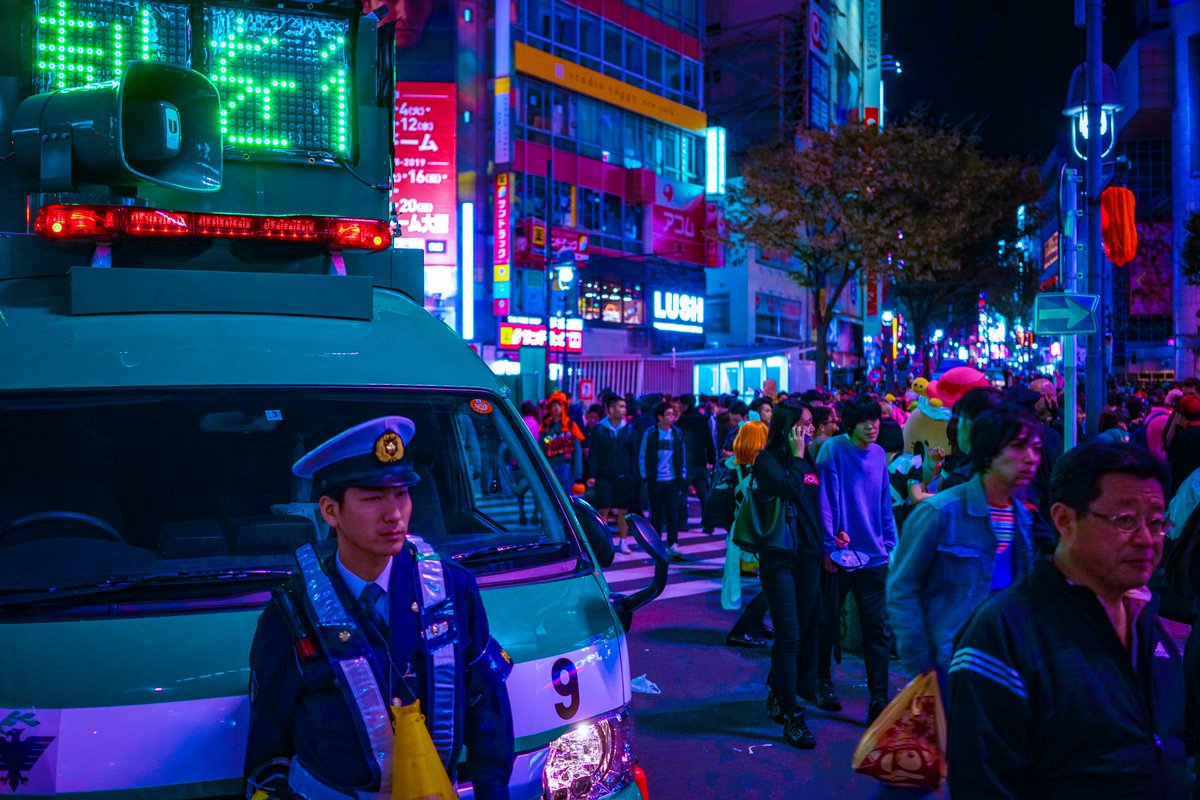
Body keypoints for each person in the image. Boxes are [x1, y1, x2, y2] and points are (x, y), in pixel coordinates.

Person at [245, 416, 515, 800]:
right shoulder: (294, 610)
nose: (394, 514)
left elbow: (486, 708)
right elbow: (269, 736)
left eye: (402, 494)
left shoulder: (452, 588)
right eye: (373, 498)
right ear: (330, 511)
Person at [948, 442, 1187, 799]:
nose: (1147, 540)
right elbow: (983, 784)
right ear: (1064, 519)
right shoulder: (1002, 636)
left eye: (1156, 522)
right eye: (1125, 520)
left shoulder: (1146, 622)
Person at [888, 405, 1040, 682]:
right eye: (1019, 447)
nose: (1031, 459)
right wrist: (923, 665)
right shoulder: (940, 512)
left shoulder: (1022, 517)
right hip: (950, 666)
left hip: (1006, 666)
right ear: (990, 450)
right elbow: (902, 587)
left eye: (1036, 448)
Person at [815, 394, 897, 723]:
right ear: (851, 423)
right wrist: (827, 547)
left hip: (874, 557)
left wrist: (890, 542)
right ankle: (822, 683)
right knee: (828, 621)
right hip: (841, 555)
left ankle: (879, 698)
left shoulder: (878, 455)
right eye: (865, 420)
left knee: (876, 630)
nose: (872, 426)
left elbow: (883, 502)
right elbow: (826, 501)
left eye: (875, 419)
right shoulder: (833, 450)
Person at [753, 401, 825, 749]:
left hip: (809, 557)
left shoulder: (809, 458)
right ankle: (793, 718)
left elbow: (811, 504)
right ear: (788, 428)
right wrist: (796, 456)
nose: (811, 430)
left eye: (812, 424)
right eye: (805, 425)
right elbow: (790, 490)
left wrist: (830, 539)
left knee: (806, 631)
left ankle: (778, 692)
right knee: (789, 635)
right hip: (778, 559)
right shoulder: (765, 461)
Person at [721, 421, 771, 646]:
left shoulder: (732, 465)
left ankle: (755, 624)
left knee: (769, 582)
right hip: (756, 528)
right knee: (772, 583)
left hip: (740, 527)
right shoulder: (757, 468)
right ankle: (743, 629)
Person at [588, 394, 638, 553]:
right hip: (604, 477)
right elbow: (593, 454)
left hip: (623, 477)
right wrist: (591, 475)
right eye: (621, 406)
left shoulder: (628, 430)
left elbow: (633, 454)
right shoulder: (599, 429)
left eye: (624, 406)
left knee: (623, 511)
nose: (624, 409)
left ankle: (623, 542)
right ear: (611, 409)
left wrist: (633, 475)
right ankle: (604, 543)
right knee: (603, 510)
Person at [639, 401, 687, 558]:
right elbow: (643, 455)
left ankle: (673, 543)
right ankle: (656, 543)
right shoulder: (651, 433)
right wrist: (645, 476)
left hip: (672, 480)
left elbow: (682, 455)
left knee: (673, 512)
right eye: (668, 414)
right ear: (659, 417)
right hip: (655, 480)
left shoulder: (677, 433)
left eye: (673, 414)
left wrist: (683, 475)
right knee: (656, 514)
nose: (672, 416)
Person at [676, 393, 717, 532]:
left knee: (682, 494)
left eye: (680, 403)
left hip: (686, 462)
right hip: (700, 461)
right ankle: (708, 524)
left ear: (685, 404)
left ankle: (682, 523)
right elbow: (709, 442)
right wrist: (712, 460)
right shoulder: (702, 419)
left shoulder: (681, 421)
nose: (678, 406)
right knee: (703, 493)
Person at [540, 392, 585, 494]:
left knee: (567, 499)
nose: (556, 407)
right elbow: (541, 449)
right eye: (554, 405)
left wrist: (578, 475)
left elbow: (578, 452)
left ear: (564, 406)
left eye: (559, 405)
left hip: (567, 468)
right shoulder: (545, 427)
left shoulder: (571, 425)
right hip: (549, 467)